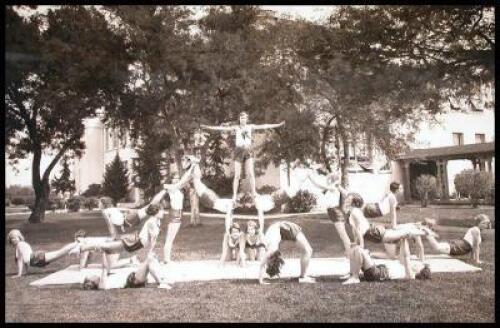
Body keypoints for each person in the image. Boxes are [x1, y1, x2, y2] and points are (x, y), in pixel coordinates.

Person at [201, 112, 285, 202]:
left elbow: (264, 126)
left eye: (244, 118)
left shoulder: (250, 127)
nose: (243, 120)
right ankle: (234, 195)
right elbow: (221, 128)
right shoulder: (236, 128)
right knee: (237, 175)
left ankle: (254, 192)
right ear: (239, 119)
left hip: (248, 150)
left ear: (247, 119)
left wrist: (277, 125)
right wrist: (207, 127)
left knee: (251, 173)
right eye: (241, 118)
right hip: (239, 151)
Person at [79, 204, 164, 257]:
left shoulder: (155, 220)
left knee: (109, 246)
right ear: (156, 212)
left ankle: (85, 244)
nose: (163, 213)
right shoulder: (152, 221)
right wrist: (150, 252)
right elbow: (153, 239)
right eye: (161, 211)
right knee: (107, 246)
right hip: (134, 242)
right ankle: (84, 246)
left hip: (136, 242)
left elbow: (152, 238)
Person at [306, 168, 352, 256]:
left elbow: (318, 185)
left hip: (335, 212)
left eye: (328, 179)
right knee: (343, 235)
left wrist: (310, 177)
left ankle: (350, 253)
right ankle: (350, 252)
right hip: (334, 211)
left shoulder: (332, 187)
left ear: (331, 180)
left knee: (343, 235)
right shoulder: (334, 187)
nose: (327, 180)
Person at [342, 242, 431, 284]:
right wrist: (403, 240)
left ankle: (355, 277)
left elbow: (406, 256)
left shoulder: (411, 275)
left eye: (419, 266)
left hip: (377, 274)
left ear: (419, 272)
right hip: (377, 271)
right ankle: (352, 274)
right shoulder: (404, 268)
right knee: (355, 248)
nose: (416, 264)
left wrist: (405, 238)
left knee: (358, 250)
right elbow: (401, 254)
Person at [8, 229, 81, 278]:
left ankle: (77, 242)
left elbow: (20, 260)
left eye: (15, 237)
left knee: (60, 253)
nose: (13, 240)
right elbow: (25, 260)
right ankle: (76, 245)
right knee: (60, 254)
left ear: (19, 237)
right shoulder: (22, 244)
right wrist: (26, 272)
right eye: (12, 238)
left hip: (35, 258)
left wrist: (19, 274)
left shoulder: (19, 245)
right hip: (35, 259)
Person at [422, 214, 490, 265]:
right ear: (478, 223)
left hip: (461, 245)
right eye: (483, 223)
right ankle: (426, 230)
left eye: (486, 224)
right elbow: (476, 246)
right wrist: (477, 260)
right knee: (437, 247)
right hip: (461, 246)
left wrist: (472, 258)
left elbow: (473, 246)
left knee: (438, 247)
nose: (485, 225)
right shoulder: (476, 230)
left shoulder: (476, 229)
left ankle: (428, 229)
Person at [83, 252, 171, 290]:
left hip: (133, 278)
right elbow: (105, 267)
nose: (93, 275)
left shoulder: (104, 281)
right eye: (91, 277)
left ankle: (162, 280)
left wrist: (129, 262)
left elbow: (108, 267)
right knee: (150, 259)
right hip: (133, 280)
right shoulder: (101, 285)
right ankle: (161, 283)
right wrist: (103, 252)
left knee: (152, 258)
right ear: (92, 281)